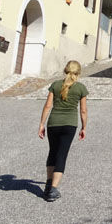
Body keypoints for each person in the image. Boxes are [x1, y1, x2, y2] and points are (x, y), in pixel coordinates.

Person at [38, 60, 88, 202]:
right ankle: (53, 190)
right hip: (69, 125)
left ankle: (48, 185)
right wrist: (84, 127)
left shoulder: (55, 85)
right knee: (62, 154)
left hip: (53, 123)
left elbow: (48, 106)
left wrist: (41, 124)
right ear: (78, 73)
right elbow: (83, 110)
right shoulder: (80, 88)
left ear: (65, 71)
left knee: (52, 152)